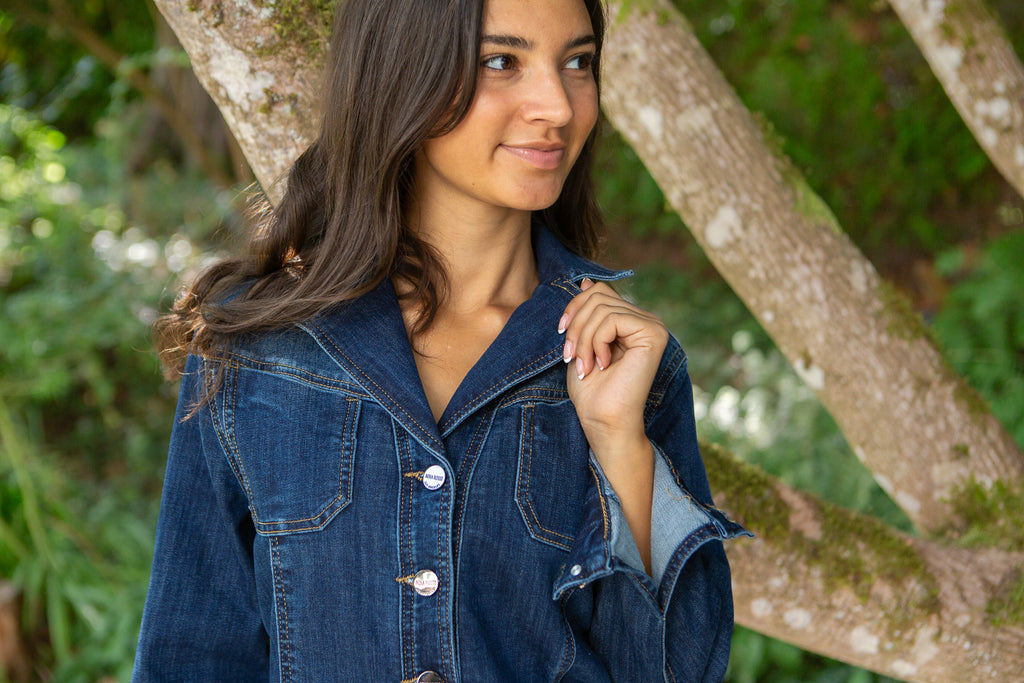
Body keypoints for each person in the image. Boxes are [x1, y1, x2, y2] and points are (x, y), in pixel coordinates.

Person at [133, 0, 748, 680]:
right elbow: (189, 656)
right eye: (501, 62)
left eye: (577, 62)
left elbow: (676, 670)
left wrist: (619, 443)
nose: (558, 106)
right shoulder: (260, 347)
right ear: (402, 72)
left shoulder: (629, 364)